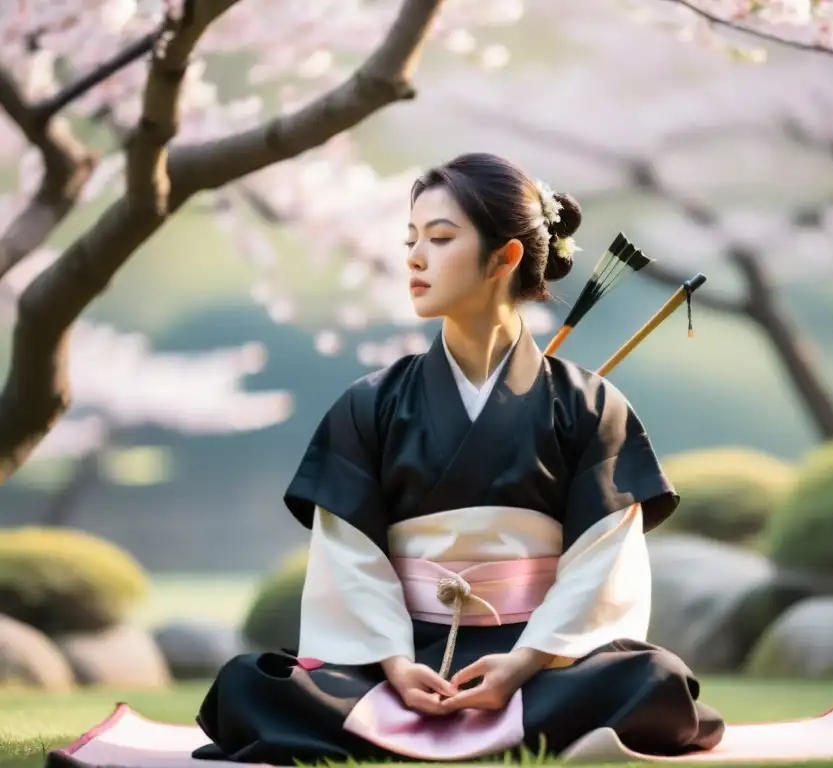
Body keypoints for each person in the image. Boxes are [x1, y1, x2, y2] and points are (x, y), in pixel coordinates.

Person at [192, 152, 726, 764]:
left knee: (651, 680)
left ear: (506, 257)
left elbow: (601, 564)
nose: (414, 258)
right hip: (398, 657)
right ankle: (512, 731)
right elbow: (351, 558)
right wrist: (393, 662)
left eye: (440, 238)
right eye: (410, 239)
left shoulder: (590, 404)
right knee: (250, 683)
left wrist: (526, 661)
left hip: (538, 656)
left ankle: (409, 732)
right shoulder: (369, 404)